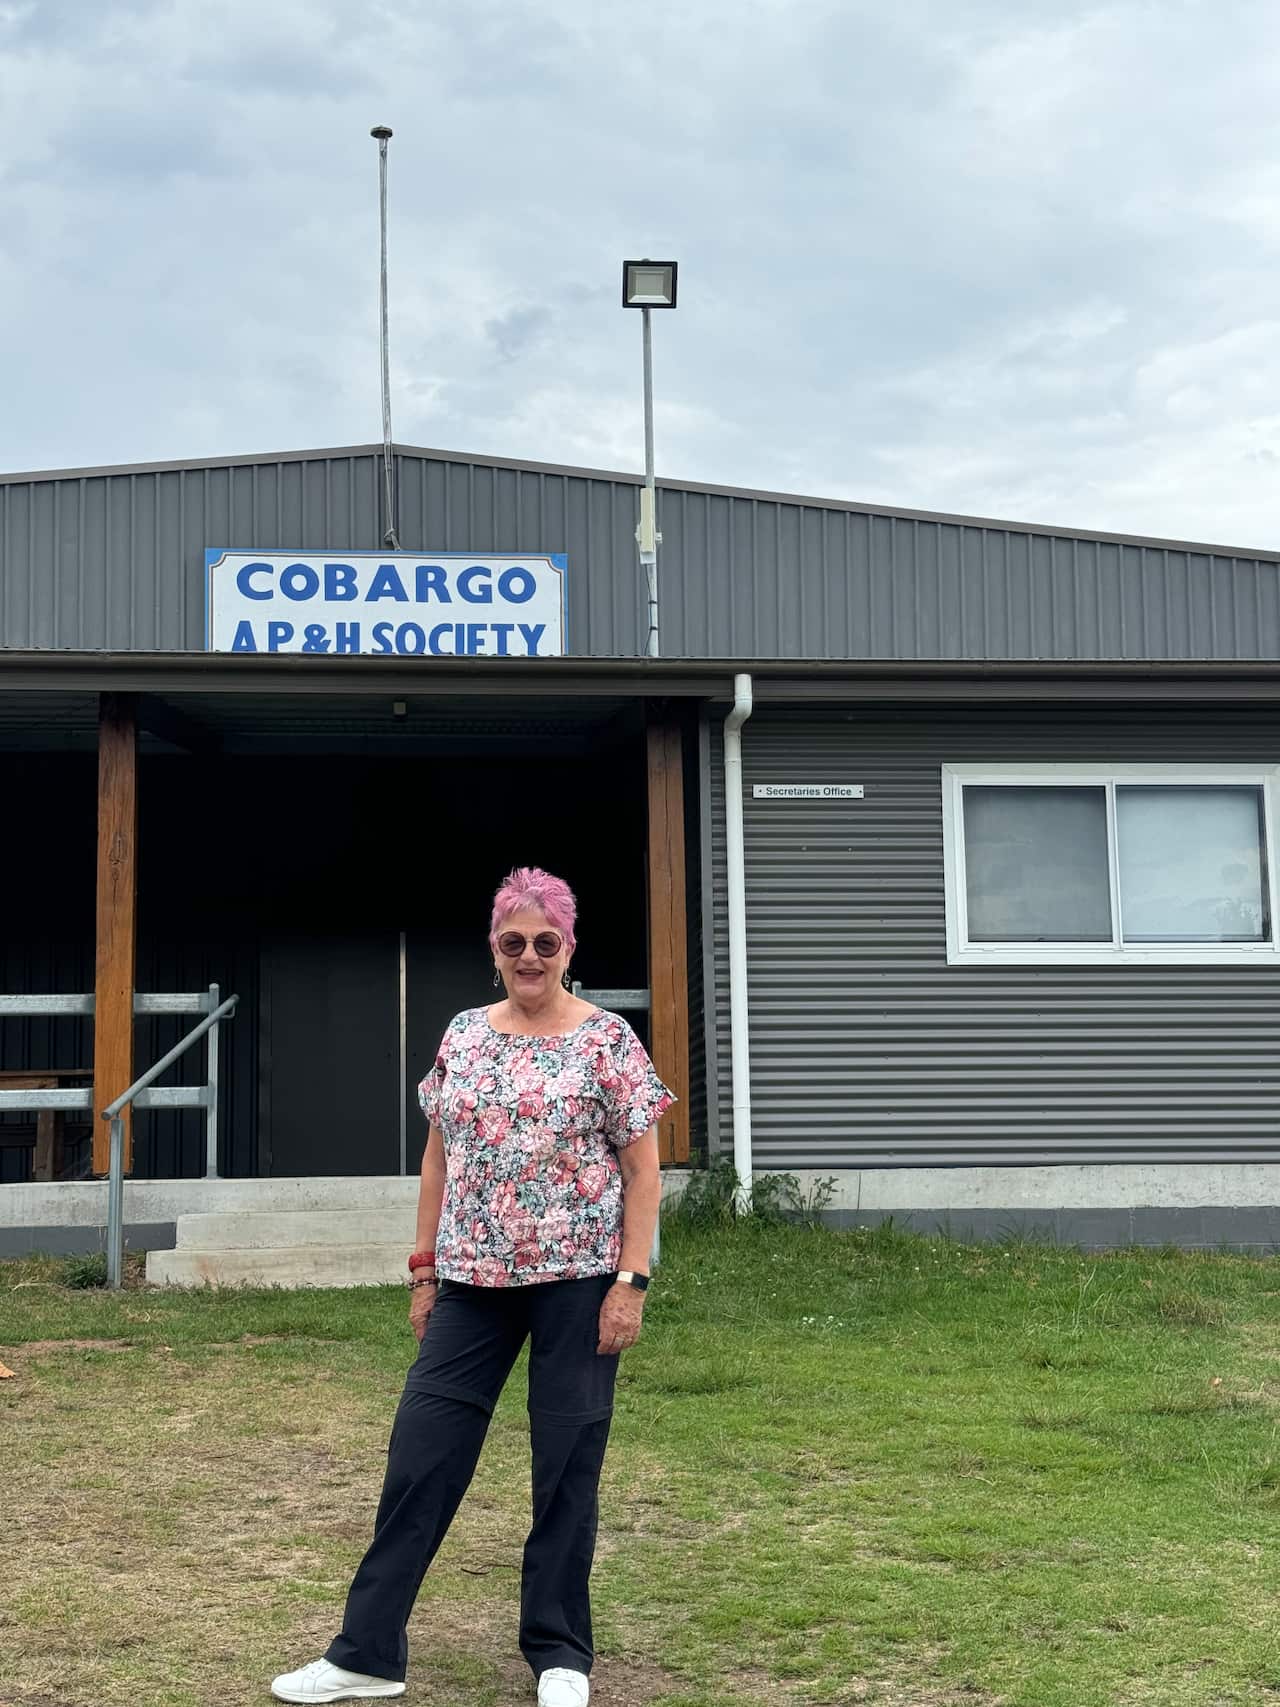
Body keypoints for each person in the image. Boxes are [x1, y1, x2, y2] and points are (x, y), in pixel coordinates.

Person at [271, 867, 674, 1706]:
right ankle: (366, 1653)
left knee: (566, 1463)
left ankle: (561, 1654)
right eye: (513, 942)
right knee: (421, 1456)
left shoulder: (608, 1041)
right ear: (494, 950)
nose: (530, 956)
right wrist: (423, 1267)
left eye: (545, 942)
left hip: (579, 1279)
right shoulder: (463, 1034)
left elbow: (643, 1173)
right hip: (471, 1281)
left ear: (569, 947)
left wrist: (631, 1280)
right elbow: (437, 1155)